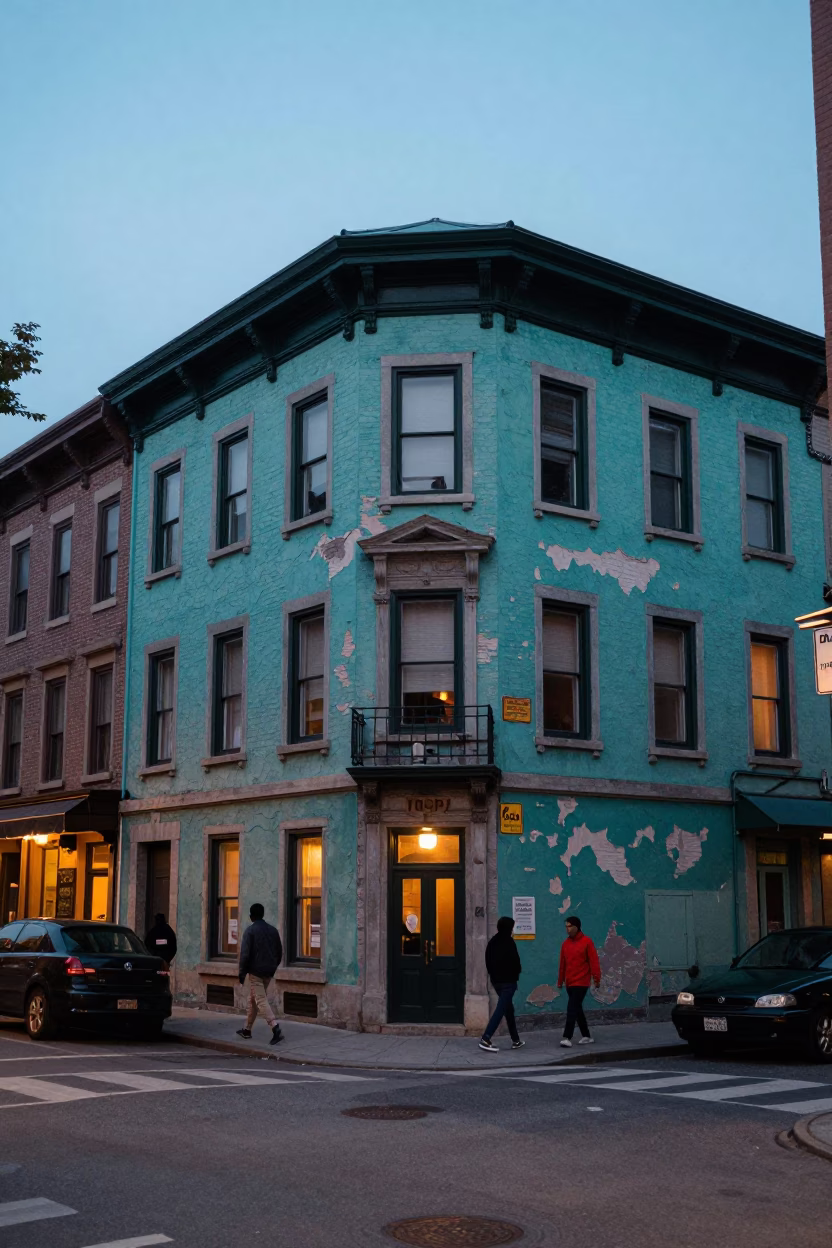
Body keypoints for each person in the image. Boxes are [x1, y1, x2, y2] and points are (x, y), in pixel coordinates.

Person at [236, 903, 284, 1045]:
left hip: (256, 972)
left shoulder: (250, 931)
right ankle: (247, 1030)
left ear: (251, 916)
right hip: (268, 972)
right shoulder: (273, 931)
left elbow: (245, 955)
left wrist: (242, 974)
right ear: (262, 915)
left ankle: (275, 1027)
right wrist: (273, 966)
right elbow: (279, 952)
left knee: (260, 1000)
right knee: (253, 1000)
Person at [479, 915, 526, 1052]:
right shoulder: (509, 942)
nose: (512, 930)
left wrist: (493, 976)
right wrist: (516, 973)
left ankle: (516, 1040)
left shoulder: (492, 942)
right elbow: (516, 961)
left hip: (496, 982)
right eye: (511, 928)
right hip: (508, 982)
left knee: (508, 1009)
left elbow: (487, 961)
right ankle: (486, 1038)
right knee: (501, 1009)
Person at [557, 915, 601, 1047]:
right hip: (569, 982)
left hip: (581, 982)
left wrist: (596, 979)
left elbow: (594, 962)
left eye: (570, 926)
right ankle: (586, 1036)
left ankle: (567, 1037)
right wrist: (560, 981)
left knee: (571, 1008)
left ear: (577, 927)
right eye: (566, 926)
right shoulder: (565, 944)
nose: (567, 929)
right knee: (577, 1009)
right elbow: (562, 964)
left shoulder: (587, 942)